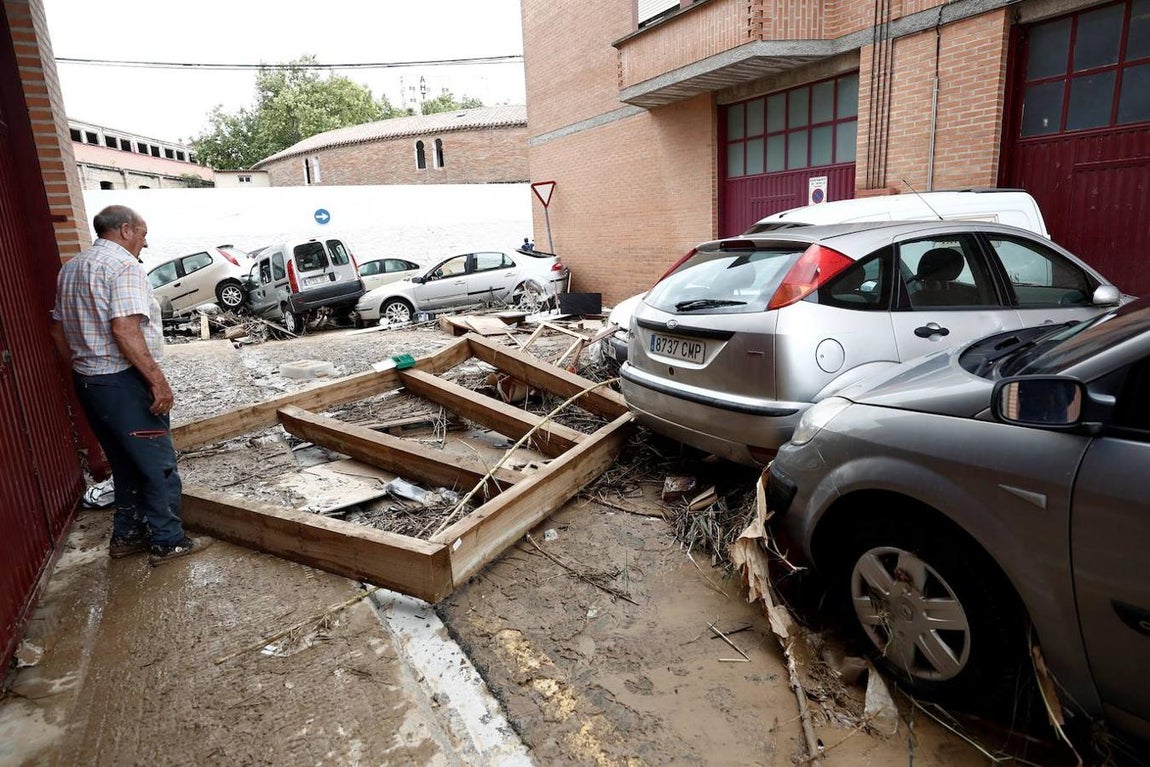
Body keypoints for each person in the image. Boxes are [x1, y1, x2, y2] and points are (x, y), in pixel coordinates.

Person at [51, 205, 203, 565]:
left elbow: (57, 330)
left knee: (125, 462)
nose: (145, 243)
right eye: (143, 233)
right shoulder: (123, 267)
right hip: (123, 382)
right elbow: (124, 328)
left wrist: (79, 368)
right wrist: (158, 382)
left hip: (91, 382)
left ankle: (127, 536)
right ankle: (169, 541)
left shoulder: (71, 268)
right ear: (124, 230)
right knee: (158, 464)